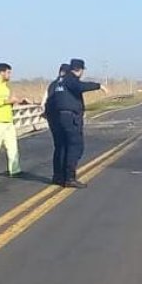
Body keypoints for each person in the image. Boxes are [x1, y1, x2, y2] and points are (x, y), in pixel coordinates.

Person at [46, 58, 107, 188]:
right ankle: (69, 178)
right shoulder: (70, 79)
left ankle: (58, 176)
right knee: (75, 148)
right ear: (79, 70)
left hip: (58, 119)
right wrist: (99, 86)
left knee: (61, 148)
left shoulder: (57, 83)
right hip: (70, 118)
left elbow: (49, 103)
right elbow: (80, 86)